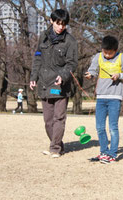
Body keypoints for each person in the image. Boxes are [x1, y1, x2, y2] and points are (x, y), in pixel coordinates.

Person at [30, 9, 78, 158]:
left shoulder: (70, 41)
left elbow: (72, 63)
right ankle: (58, 145)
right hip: (44, 83)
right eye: (58, 23)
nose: (60, 27)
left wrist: (62, 76)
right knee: (48, 121)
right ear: (52, 21)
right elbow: (38, 57)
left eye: (64, 24)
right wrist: (34, 77)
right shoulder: (43, 37)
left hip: (59, 86)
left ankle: (55, 148)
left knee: (59, 118)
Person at [85, 35, 123, 164]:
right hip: (101, 97)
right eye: (104, 52)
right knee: (100, 127)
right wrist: (90, 75)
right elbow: (93, 70)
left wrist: (119, 75)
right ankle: (104, 152)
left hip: (114, 97)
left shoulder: (122, 57)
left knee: (112, 127)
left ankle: (112, 154)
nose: (106, 55)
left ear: (115, 50)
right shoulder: (98, 57)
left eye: (109, 53)